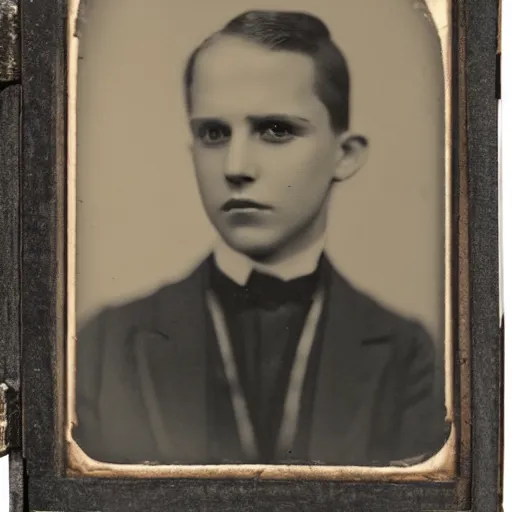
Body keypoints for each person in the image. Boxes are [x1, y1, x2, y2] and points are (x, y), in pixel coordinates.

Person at [74, 9, 448, 467]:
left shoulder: (407, 353)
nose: (235, 167)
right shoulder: (105, 346)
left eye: (276, 129)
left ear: (344, 155)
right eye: (213, 133)